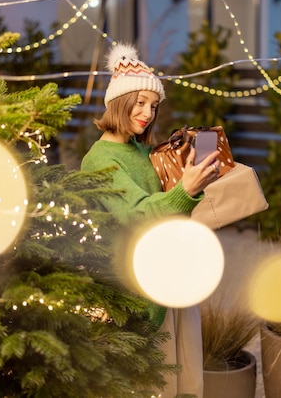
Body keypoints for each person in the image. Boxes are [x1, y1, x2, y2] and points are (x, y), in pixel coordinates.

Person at [80, 42, 221, 398]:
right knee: (152, 382)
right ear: (119, 102)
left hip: (171, 274)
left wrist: (190, 177)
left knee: (184, 378)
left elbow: (171, 206)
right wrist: (184, 191)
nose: (147, 113)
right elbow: (137, 213)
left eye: (154, 106)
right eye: (139, 102)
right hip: (137, 286)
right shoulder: (100, 159)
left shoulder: (144, 150)